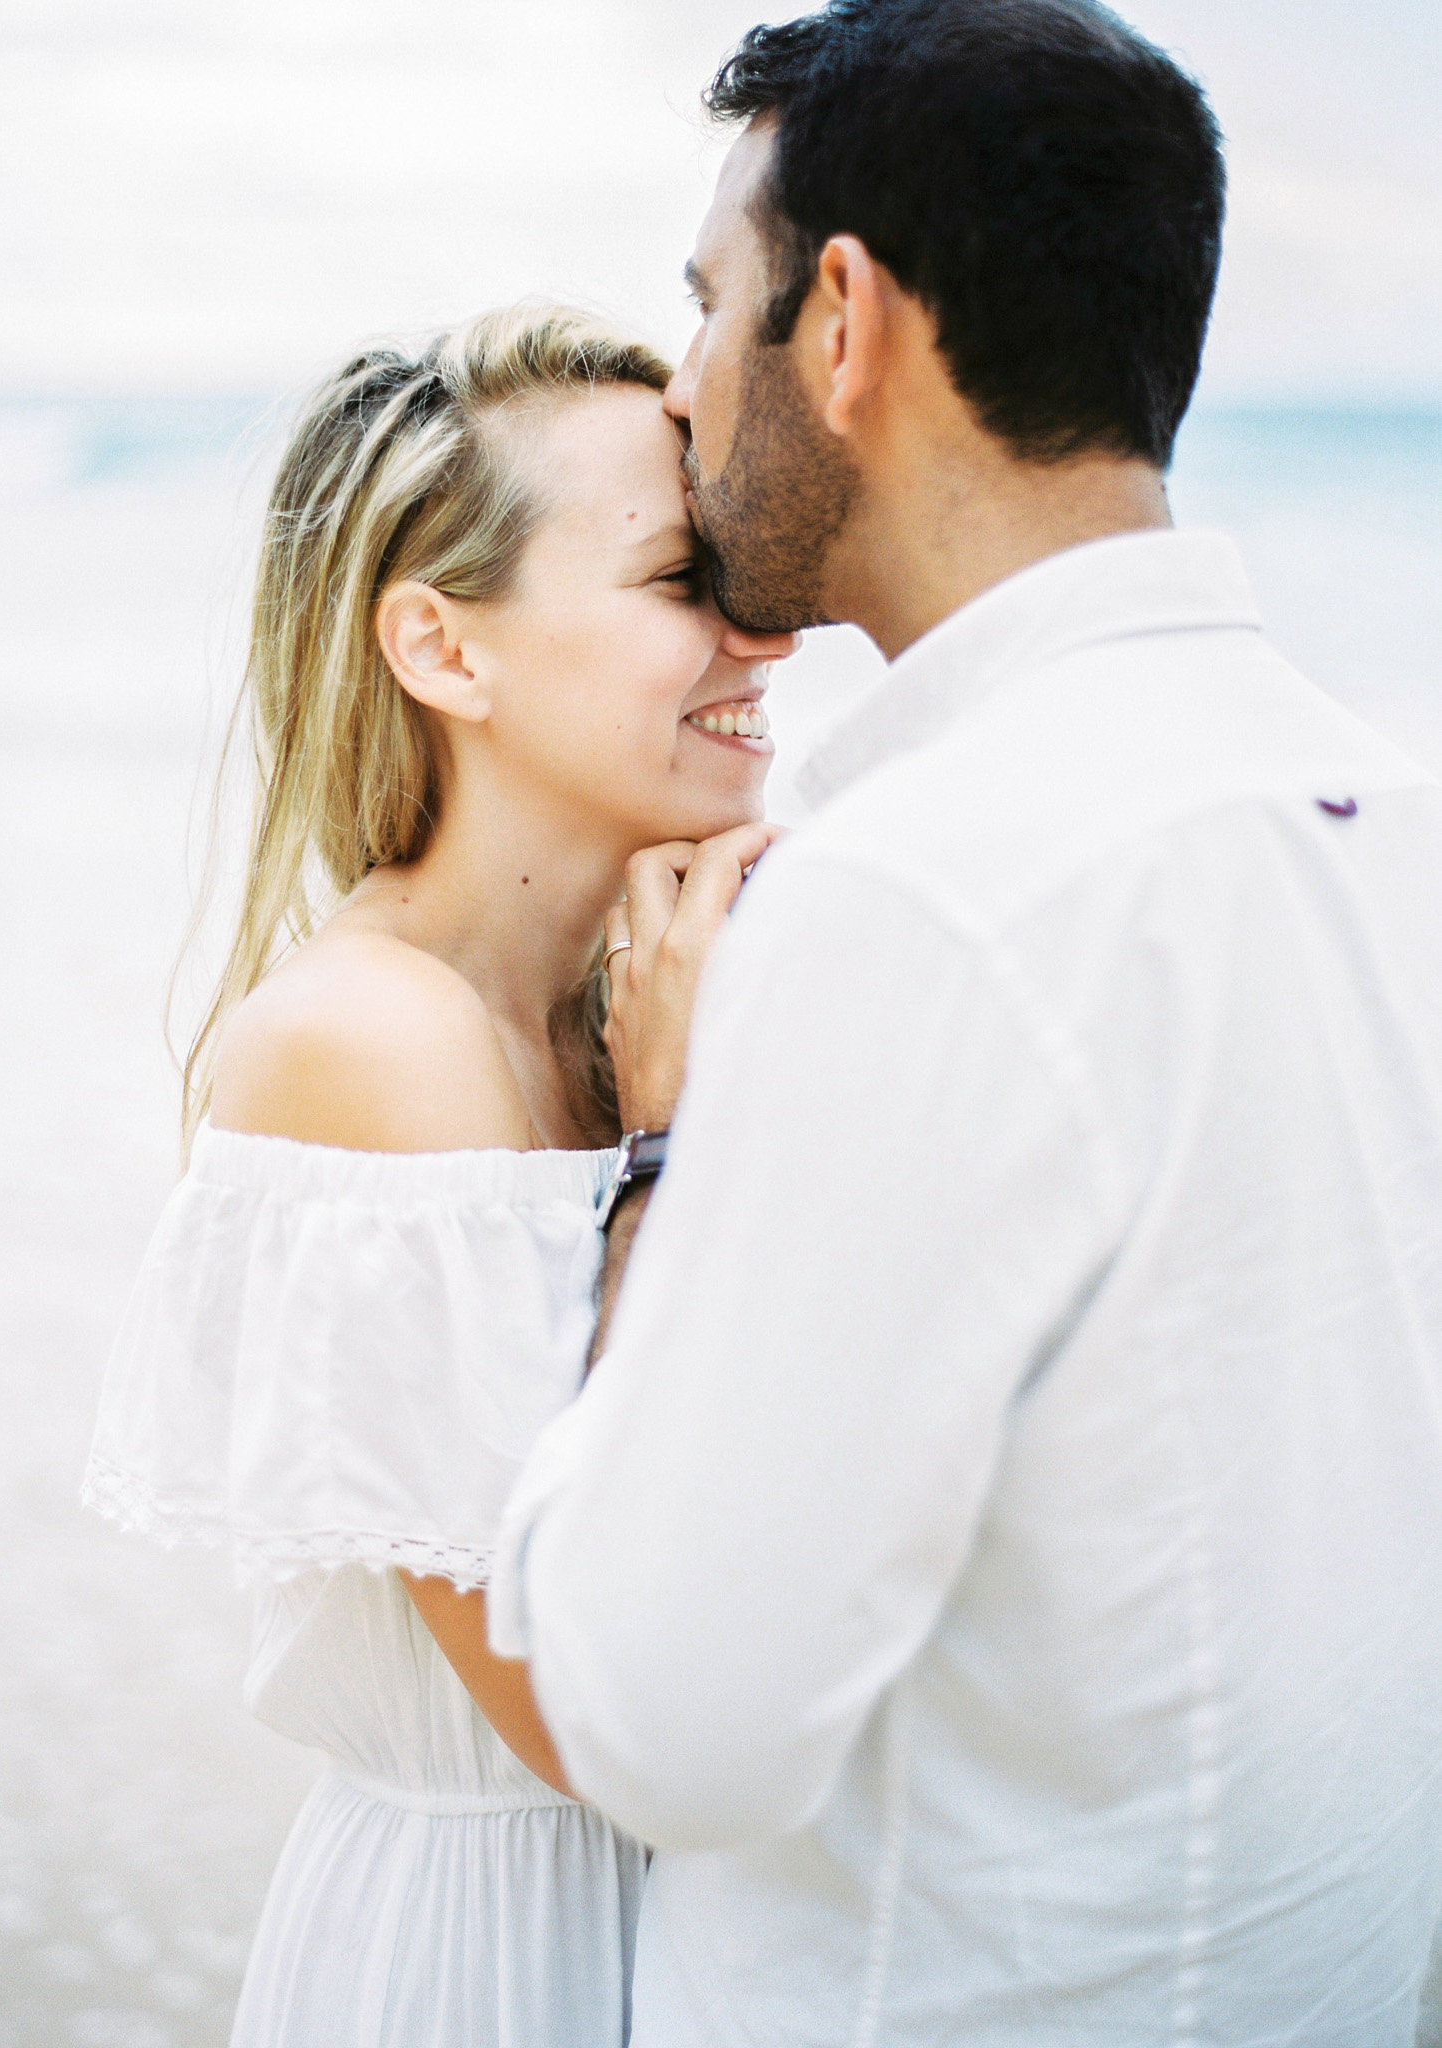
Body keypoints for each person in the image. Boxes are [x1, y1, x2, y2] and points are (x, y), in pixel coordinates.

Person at [488, 3, 1442, 2042]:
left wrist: (661, 1164)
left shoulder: (919, 893)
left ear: (841, 319)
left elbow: (671, 1725)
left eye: (707, 303)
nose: (683, 383)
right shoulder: (1389, 819)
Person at [82, 304, 793, 2047]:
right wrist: (672, 1152)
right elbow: (590, 1708)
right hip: (496, 1957)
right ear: (443, 649)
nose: (764, 628)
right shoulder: (370, 1048)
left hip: (710, 1942)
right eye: (683, 574)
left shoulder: (649, 995)